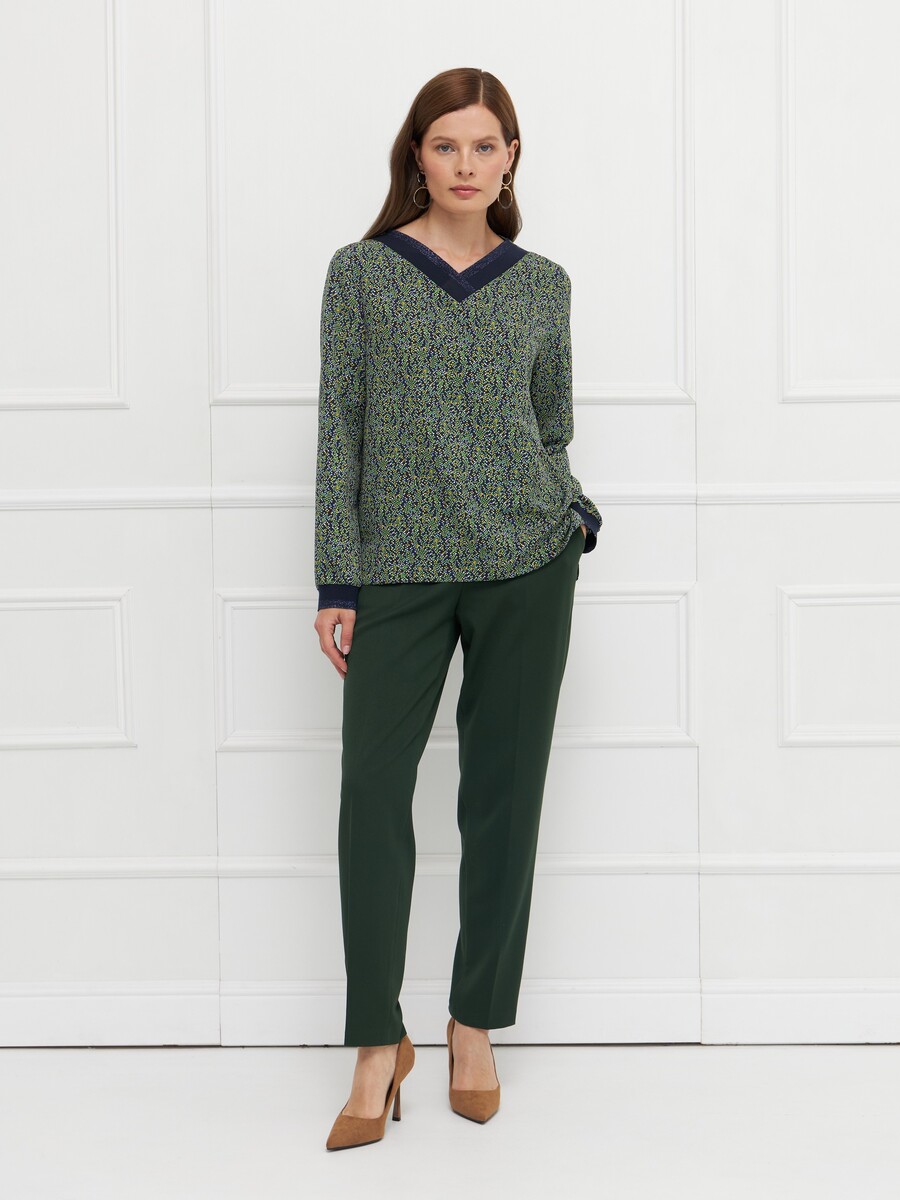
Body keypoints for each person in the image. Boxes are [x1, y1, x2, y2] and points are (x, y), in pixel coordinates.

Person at [313, 67, 602, 1152]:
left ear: (511, 158)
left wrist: (568, 515)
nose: (467, 165)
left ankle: (472, 1023)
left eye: (486, 146)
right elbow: (340, 430)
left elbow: (552, 423)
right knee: (372, 796)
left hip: (527, 561)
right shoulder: (361, 274)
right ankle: (374, 1042)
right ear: (417, 157)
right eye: (447, 146)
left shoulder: (545, 285)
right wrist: (337, 580)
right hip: (397, 569)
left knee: (504, 798)